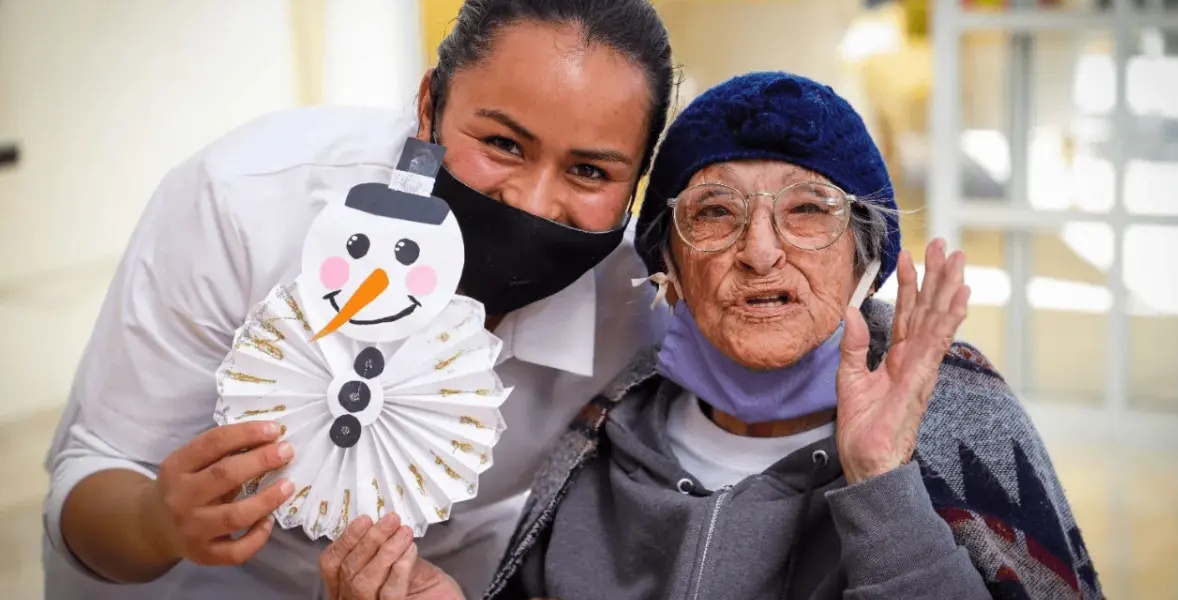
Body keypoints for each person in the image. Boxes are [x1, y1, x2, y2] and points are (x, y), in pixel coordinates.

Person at [350, 72, 1101, 599]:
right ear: (667, 262)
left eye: (809, 210)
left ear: (865, 254)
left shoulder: (966, 421)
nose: (761, 251)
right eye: (714, 213)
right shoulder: (603, 436)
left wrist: (881, 482)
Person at [41, 2, 674, 599]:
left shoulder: (638, 305)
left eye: (590, 172)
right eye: (503, 144)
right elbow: (95, 474)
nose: (533, 203)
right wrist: (158, 523)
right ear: (429, 106)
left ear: (638, 179)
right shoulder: (245, 203)